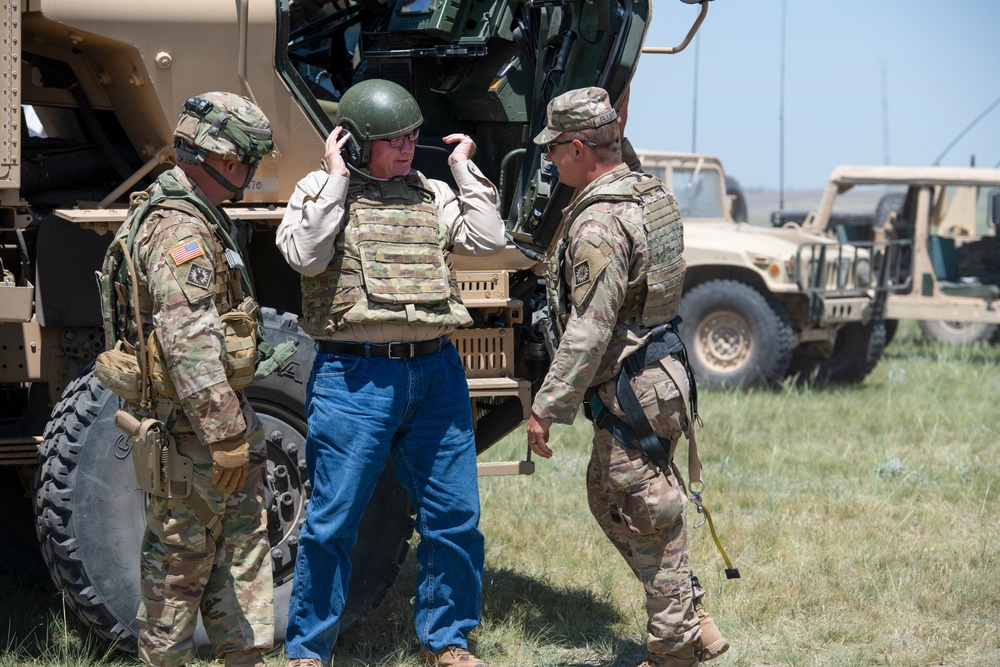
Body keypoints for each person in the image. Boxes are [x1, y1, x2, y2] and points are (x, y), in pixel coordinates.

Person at [275, 78, 505, 667]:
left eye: (412, 136)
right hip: (355, 379)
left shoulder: (431, 193)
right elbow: (306, 256)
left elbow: (487, 239)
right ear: (354, 143)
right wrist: (335, 180)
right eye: (392, 139)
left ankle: (447, 641)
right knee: (331, 524)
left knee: (454, 518)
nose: (406, 147)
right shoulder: (317, 190)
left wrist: (463, 171)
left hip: (436, 375)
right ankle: (307, 651)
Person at [525, 87, 729, 667]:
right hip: (660, 373)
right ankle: (692, 619)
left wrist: (545, 409)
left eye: (555, 148)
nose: (549, 160)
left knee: (649, 517)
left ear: (580, 148)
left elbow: (588, 330)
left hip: (633, 386)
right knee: (607, 496)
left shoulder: (599, 225)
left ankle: (674, 650)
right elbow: (619, 147)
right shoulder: (646, 190)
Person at [98, 92, 276, 667]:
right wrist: (226, 437)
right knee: (180, 568)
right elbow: (189, 342)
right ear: (228, 160)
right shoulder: (181, 230)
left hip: (202, 428)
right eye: (250, 159)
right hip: (196, 435)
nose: (251, 171)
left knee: (236, 555)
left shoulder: (184, 211)